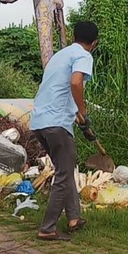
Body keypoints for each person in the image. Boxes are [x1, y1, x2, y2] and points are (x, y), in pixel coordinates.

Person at [29, 21, 99, 241]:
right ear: (94, 43)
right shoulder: (84, 55)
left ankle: (74, 218)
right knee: (63, 174)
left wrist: (80, 122)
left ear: (73, 37)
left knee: (65, 169)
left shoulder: (60, 56)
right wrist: (84, 112)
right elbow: (76, 83)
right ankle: (47, 228)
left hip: (40, 122)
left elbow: (60, 91)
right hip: (56, 123)